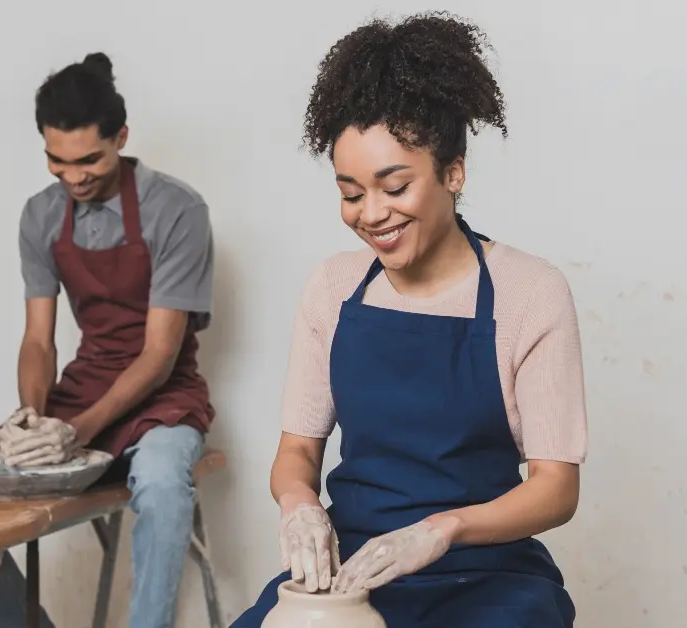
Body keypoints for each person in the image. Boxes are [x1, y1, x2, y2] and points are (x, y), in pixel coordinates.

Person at [231, 12, 587, 627]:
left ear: (453, 171)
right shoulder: (333, 288)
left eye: (394, 186)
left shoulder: (530, 292)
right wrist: (299, 505)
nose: (372, 214)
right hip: (355, 570)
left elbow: (556, 487)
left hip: (488, 574)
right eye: (350, 193)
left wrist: (443, 530)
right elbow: (296, 451)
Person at [0, 52, 216, 628]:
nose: (74, 177)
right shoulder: (39, 217)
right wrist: (33, 418)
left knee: (161, 485)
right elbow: (38, 341)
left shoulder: (177, 210)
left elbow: (160, 355)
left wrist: (78, 431)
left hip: (162, 397)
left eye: (89, 159)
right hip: (81, 390)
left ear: (122, 137)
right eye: (56, 162)